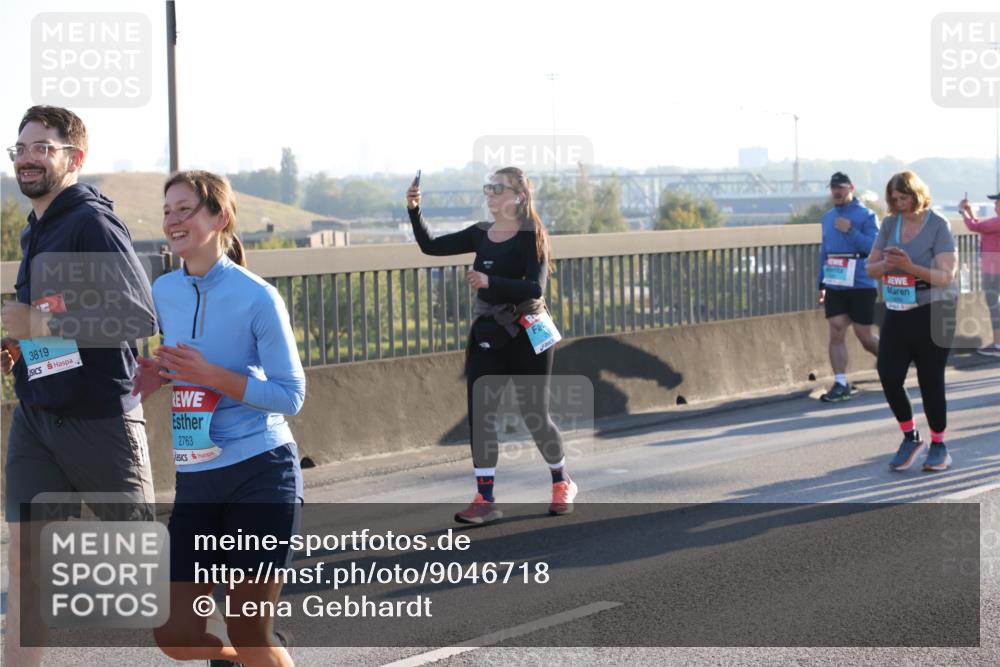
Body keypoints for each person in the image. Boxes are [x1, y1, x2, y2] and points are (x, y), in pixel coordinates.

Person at [1, 106, 157, 667]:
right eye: (21, 147)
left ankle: (245, 648)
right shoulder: (38, 227)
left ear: (74, 158)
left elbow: (138, 316)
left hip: (97, 419)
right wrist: (23, 347)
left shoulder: (91, 221)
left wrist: (41, 326)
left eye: (43, 146)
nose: (28, 157)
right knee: (25, 563)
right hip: (38, 414)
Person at [139, 171, 304, 667]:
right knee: (174, 634)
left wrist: (210, 374)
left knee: (249, 628)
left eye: (185, 209)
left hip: (261, 471)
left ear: (221, 218)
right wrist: (162, 372)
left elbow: (291, 395)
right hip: (197, 477)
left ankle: (258, 653)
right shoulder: (164, 289)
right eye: (168, 210)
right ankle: (252, 658)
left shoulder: (257, 296)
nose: (173, 219)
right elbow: (178, 358)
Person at [406, 167, 577, 525]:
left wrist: (489, 279)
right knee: (482, 416)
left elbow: (535, 288)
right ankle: (485, 498)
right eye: (489, 187)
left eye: (498, 188)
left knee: (535, 415)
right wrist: (414, 210)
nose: (491, 194)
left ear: (518, 196)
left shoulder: (532, 236)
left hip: (529, 332)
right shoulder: (481, 234)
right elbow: (431, 246)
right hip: (489, 333)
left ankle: (562, 481)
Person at [867, 171, 958, 472]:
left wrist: (910, 266)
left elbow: (946, 276)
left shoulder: (938, 225)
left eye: (903, 197)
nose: (898, 203)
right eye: (893, 198)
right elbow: (871, 269)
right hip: (898, 306)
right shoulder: (889, 224)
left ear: (915, 193)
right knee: (888, 373)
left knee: (930, 379)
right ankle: (910, 437)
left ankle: (939, 444)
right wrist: (886, 264)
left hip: (935, 309)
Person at [816, 171, 880, 401]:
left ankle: (889, 363)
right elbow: (824, 251)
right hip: (835, 280)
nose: (836, 191)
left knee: (864, 336)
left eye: (841, 187)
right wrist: (820, 283)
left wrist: (850, 230)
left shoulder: (866, 215)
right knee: (836, 328)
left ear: (851, 187)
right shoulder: (827, 217)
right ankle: (841, 382)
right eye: (833, 187)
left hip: (861, 282)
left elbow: (875, 247)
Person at [958, 191, 1000, 357]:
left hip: (993, 270)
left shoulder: (997, 222)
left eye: (997, 202)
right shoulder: (995, 223)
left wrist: (962, 212)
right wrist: (969, 212)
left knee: (994, 306)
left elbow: (974, 226)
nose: (995, 205)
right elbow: (981, 226)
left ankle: (997, 345)